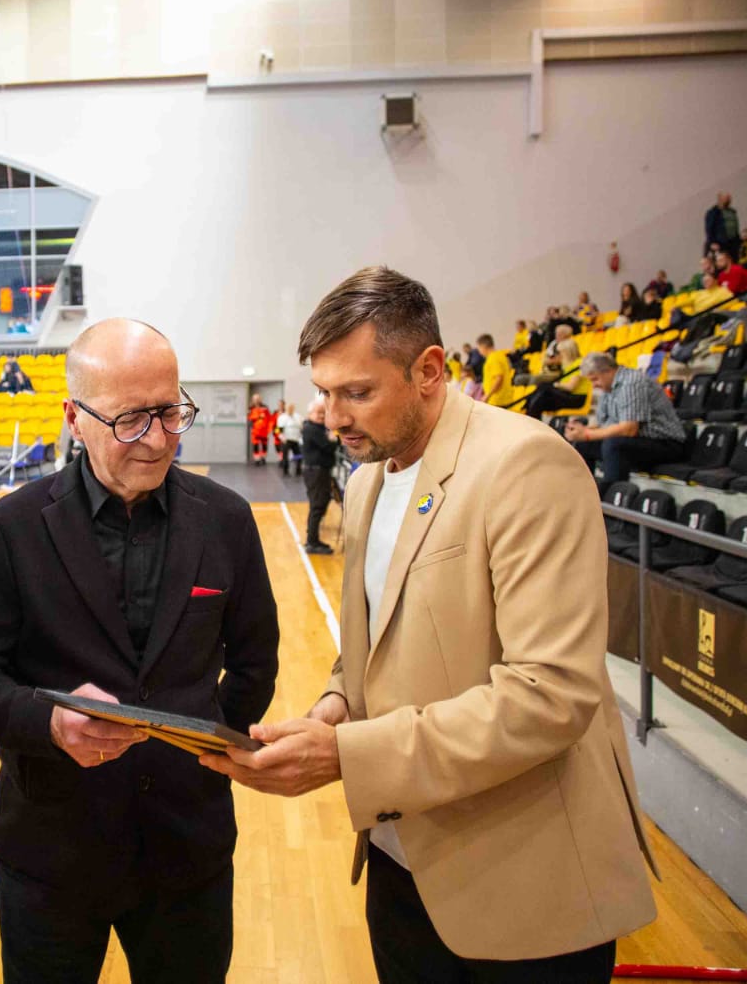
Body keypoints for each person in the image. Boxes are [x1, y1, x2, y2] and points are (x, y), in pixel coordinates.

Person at [201, 267, 657, 984]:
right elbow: (374, 650)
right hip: (401, 858)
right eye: (324, 391)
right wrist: (335, 705)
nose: (332, 416)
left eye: (357, 392)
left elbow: (551, 695)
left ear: (429, 370)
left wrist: (346, 755)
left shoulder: (525, 465)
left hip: (523, 880)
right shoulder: (366, 483)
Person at [0, 318, 279, 984]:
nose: (157, 438)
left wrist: (203, 745)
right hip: (53, 850)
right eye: (130, 420)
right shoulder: (11, 528)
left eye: (170, 412)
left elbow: (255, 659)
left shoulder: (226, 520)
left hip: (188, 846)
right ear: (75, 418)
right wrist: (49, 723)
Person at [566, 352, 688, 483]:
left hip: (666, 443)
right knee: (584, 444)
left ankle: (611, 491)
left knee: (614, 445)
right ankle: (583, 488)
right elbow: (603, 425)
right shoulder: (608, 389)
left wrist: (587, 434)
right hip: (639, 441)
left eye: (595, 379)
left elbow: (629, 429)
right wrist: (581, 431)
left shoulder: (632, 382)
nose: (594, 385)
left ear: (608, 371)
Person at [301, 398, 338, 554]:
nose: (321, 416)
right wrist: (334, 440)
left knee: (319, 502)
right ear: (310, 414)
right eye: (318, 413)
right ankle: (312, 542)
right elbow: (328, 446)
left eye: (324, 413)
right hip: (316, 472)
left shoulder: (318, 428)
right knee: (317, 505)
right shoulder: (311, 429)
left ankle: (312, 536)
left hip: (319, 471)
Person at [275, 400, 303, 475]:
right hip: (286, 440)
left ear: (294, 408)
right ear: (286, 408)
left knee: (298, 455)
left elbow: (301, 428)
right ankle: (285, 470)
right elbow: (277, 430)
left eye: (292, 407)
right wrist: (281, 437)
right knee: (285, 456)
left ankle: (298, 469)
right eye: (289, 408)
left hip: (296, 439)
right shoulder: (282, 417)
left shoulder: (298, 416)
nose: (290, 409)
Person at [247, 393, 273, 465]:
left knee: (264, 445)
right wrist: (257, 417)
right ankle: (257, 459)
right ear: (253, 400)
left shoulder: (265, 407)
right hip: (255, 430)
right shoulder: (250, 408)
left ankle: (263, 458)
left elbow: (269, 418)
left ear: (260, 399)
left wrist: (269, 429)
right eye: (255, 399)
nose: (257, 400)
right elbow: (249, 418)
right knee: (255, 445)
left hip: (264, 430)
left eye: (258, 399)